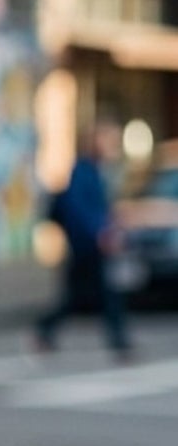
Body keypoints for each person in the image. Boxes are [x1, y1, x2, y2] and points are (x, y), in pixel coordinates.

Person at [36, 130, 132, 358]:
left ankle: (46, 329)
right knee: (101, 294)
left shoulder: (97, 172)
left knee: (84, 295)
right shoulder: (83, 171)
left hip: (93, 243)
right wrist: (99, 233)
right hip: (86, 245)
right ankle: (118, 340)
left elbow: (100, 208)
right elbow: (79, 209)